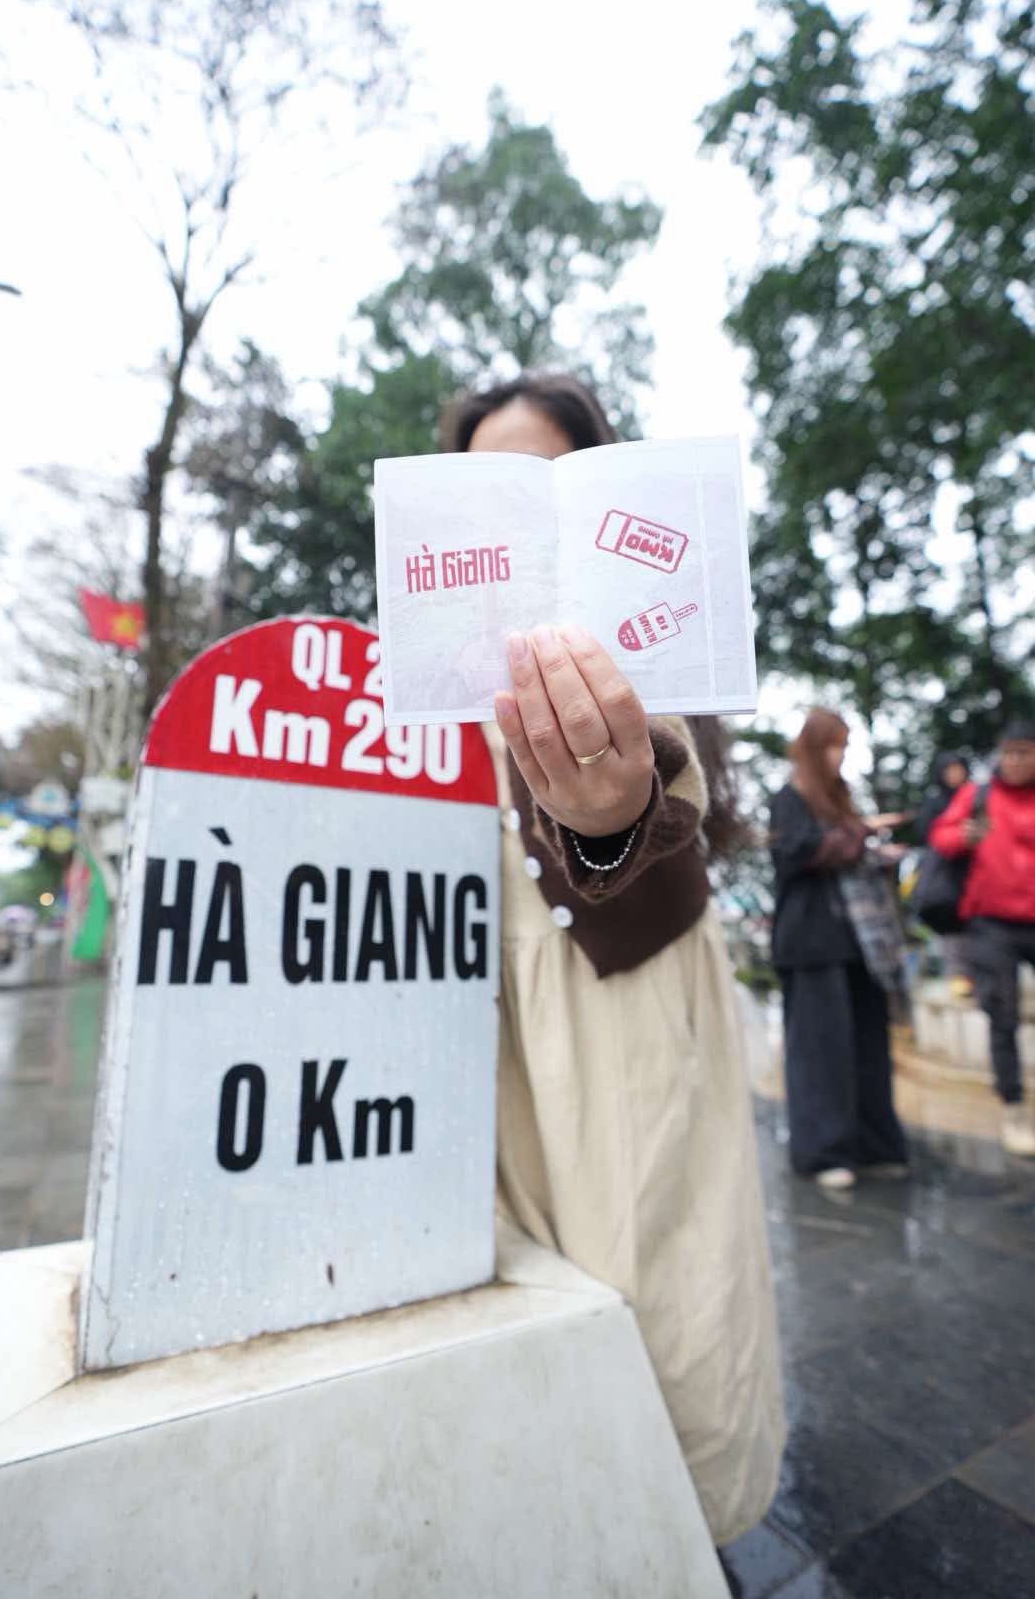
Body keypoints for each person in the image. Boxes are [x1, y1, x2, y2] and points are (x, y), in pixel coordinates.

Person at [441, 374, 785, 1551]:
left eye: (546, 486)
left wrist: (607, 809)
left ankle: (676, 1543)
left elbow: (651, 806)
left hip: (625, 1032)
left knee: (659, 1308)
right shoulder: (430, 701)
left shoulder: (645, 674)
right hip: (492, 1053)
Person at [769, 708, 910, 1189]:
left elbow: (844, 849)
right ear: (814, 746)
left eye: (844, 746)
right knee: (819, 1051)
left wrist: (874, 849)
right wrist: (861, 833)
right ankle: (823, 1152)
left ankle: (875, 1144)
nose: (840, 755)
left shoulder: (839, 799)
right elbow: (798, 853)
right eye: (834, 745)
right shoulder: (789, 798)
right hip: (811, 942)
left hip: (860, 943)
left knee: (869, 1045)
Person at [930, 720, 1035, 1157]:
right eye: (1008, 751)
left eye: (1024, 752)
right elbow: (939, 835)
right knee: (1002, 1013)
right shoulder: (978, 796)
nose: (1014, 760)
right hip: (990, 923)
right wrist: (961, 836)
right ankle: (1013, 1108)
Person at [912, 751, 973, 993]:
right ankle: (957, 977)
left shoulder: (975, 796)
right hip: (946, 876)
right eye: (949, 770)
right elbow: (928, 836)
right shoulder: (935, 802)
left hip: (973, 873)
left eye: (958, 769)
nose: (954, 774)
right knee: (952, 927)